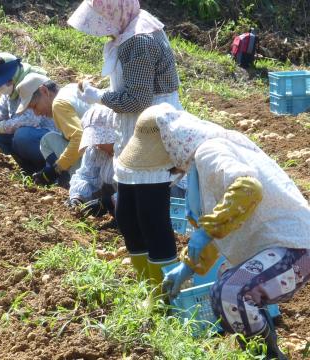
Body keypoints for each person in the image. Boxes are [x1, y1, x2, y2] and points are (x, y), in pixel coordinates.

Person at [121, 103, 309, 359]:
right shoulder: (202, 159)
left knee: (231, 292)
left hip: (293, 247)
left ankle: (269, 357)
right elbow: (223, 227)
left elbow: (248, 189)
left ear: (170, 144)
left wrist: (205, 231)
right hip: (280, 248)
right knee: (230, 282)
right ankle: (266, 351)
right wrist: (189, 265)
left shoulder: (209, 152)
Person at [68, 0, 182, 286]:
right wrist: (103, 93)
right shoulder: (136, 27)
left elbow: (138, 99)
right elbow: (134, 88)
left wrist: (99, 97)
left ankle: (167, 292)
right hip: (136, 129)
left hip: (150, 131)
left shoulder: (138, 41)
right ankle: (149, 285)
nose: (105, 33)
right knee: (127, 213)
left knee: (151, 215)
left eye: (104, 23)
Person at [0, 52, 56, 174]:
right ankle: (28, 169)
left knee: (22, 135)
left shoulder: (32, 84)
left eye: (0, 84)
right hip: (30, 137)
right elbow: (1, 110)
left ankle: (50, 169)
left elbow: (30, 120)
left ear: (11, 79)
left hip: (48, 136)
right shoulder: (10, 91)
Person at [15, 73, 90, 188]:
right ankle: (65, 180)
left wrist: (56, 169)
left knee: (46, 142)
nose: (36, 113)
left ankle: (76, 184)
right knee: (48, 139)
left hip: (96, 159)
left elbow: (79, 138)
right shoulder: (70, 89)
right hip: (105, 152)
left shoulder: (58, 105)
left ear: (45, 91)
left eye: (34, 106)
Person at [67, 104, 117, 217]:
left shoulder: (131, 151)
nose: (97, 144)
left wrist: (109, 202)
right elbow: (85, 175)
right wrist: (77, 197)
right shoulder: (95, 149)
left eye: (100, 139)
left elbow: (140, 191)